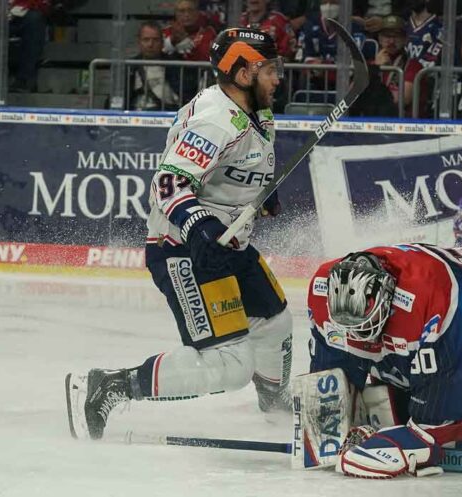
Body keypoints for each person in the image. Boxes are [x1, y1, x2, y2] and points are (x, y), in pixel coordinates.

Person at [65, 28, 293, 441]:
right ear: (242, 75)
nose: (278, 77)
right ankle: (109, 386)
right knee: (230, 366)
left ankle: (277, 409)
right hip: (185, 249)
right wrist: (201, 227)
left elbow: (231, 171)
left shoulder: (256, 110)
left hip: (228, 244)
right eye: (269, 70)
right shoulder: (216, 120)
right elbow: (168, 183)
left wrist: (260, 193)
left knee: (275, 322)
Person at [307, 243, 462, 478]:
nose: (355, 335)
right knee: (398, 400)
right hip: (436, 321)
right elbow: (330, 383)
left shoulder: (424, 291)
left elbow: (439, 415)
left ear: (388, 295)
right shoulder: (321, 287)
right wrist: (326, 425)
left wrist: (423, 436)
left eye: (363, 325)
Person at [126, 21, 190, 111]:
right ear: (139, 42)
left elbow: (187, 95)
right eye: (146, 40)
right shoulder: (129, 66)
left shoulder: (175, 65)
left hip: (168, 114)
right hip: (135, 116)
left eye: (155, 40)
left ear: (162, 42)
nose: (150, 44)